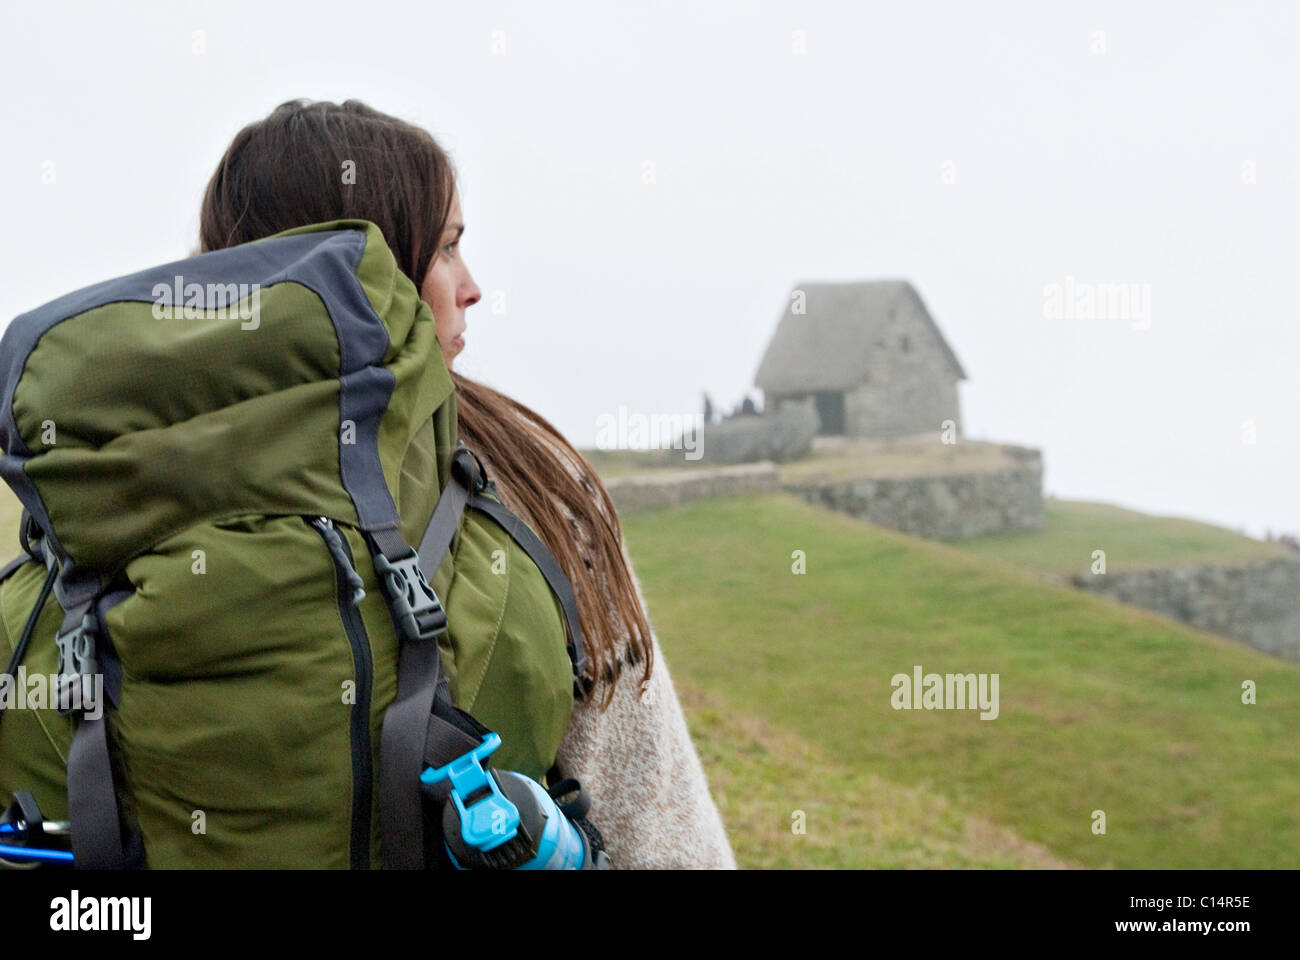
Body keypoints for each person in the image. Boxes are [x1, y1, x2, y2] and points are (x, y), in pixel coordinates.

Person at [198, 98, 735, 869]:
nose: (472, 286)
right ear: (368, 280)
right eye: (446, 248)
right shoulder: (527, 484)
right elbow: (657, 824)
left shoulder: (129, 486)